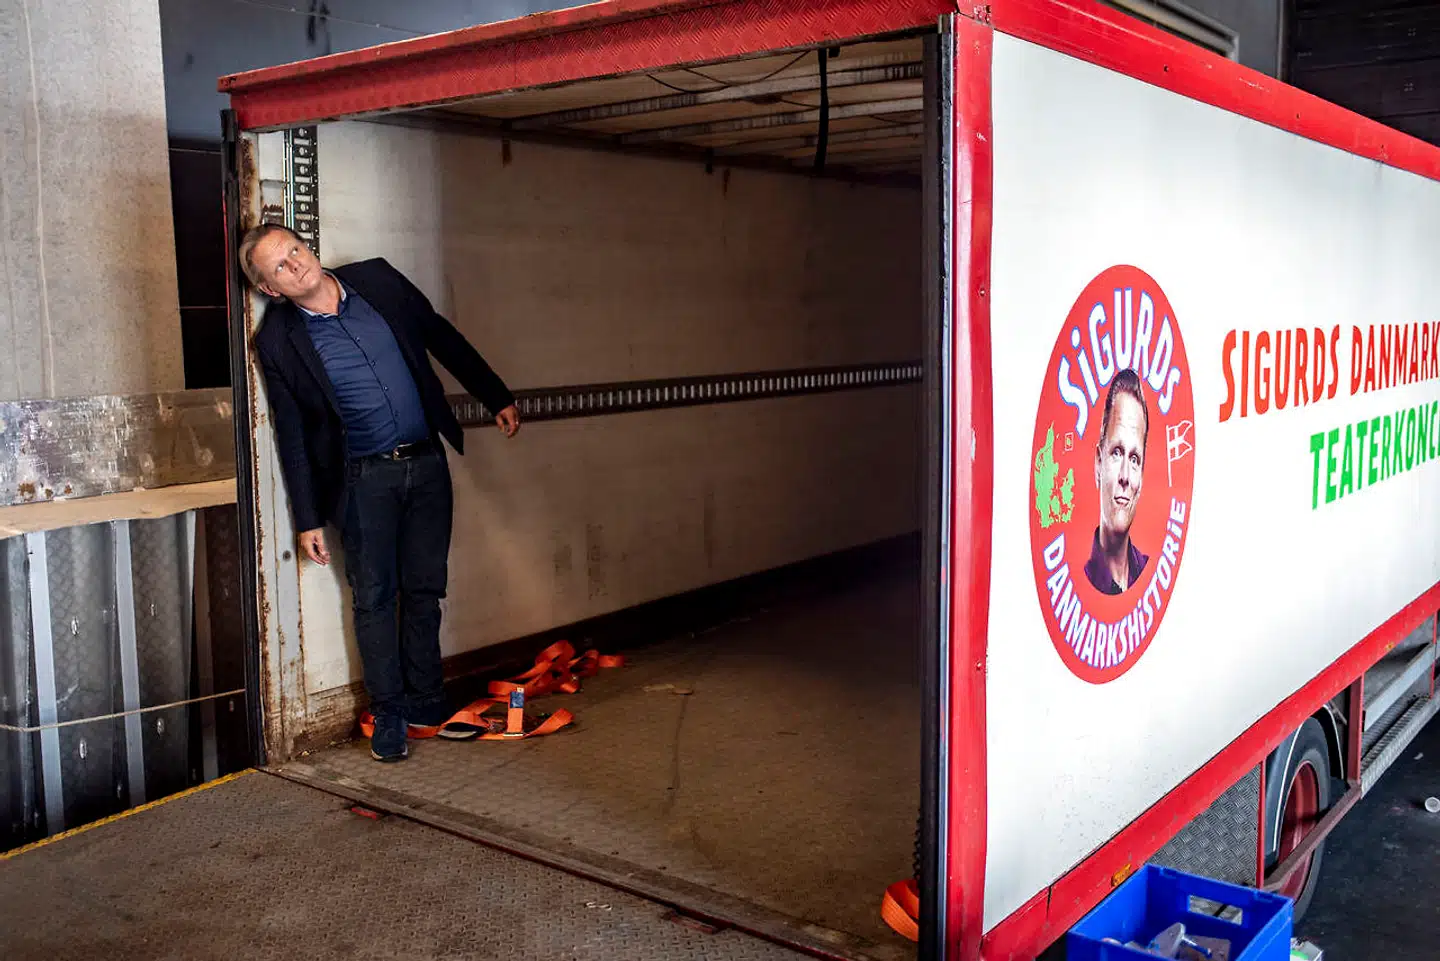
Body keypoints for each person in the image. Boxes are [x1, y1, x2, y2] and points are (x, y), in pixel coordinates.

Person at [239, 222, 521, 762]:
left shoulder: (378, 281)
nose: (295, 263)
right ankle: (388, 712)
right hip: (362, 482)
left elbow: (440, 335)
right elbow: (292, 432)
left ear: (307, 247)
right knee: (373, 597)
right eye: (279, 266)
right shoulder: (277, 341)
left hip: (427, 464)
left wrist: (494, 394)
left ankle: (427, 702)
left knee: (425, 588)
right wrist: (307, 518)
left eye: (295, 249)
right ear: (271, 288)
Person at [1083, 367, 1150, 595]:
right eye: (1117, 453)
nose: (1125, 476)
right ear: (1098, 463)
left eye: (1134, 459)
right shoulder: (1084, 579)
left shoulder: (1149, 573)